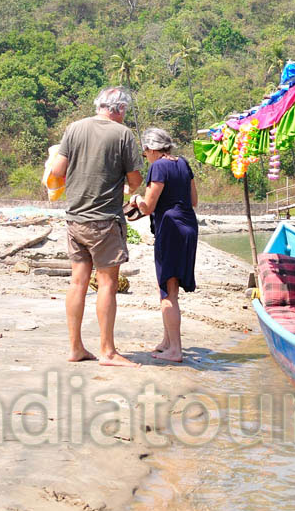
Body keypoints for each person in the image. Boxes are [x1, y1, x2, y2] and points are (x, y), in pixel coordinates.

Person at [48, 87, 143, 367]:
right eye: (124, 110)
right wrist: (126, 186)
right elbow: (135, 180)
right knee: (107, 283)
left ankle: (76, 347)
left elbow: (57, 171)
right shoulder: (122, 134)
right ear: (119, 109)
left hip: (75, 218)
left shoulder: (74, 128)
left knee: (77, 282)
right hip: (104, 219)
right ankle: (108, 351)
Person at [131, 127, 199, 363]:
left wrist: (136, 199)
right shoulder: (183, 163)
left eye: (145, 153)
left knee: (168, 291)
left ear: (150, 149)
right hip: (189, 226)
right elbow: (194, 200)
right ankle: (168, 341)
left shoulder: (158, 166)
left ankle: (175, 350)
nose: (146, 157)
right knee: (170, 289)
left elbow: (148, 207)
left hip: (171, 229)